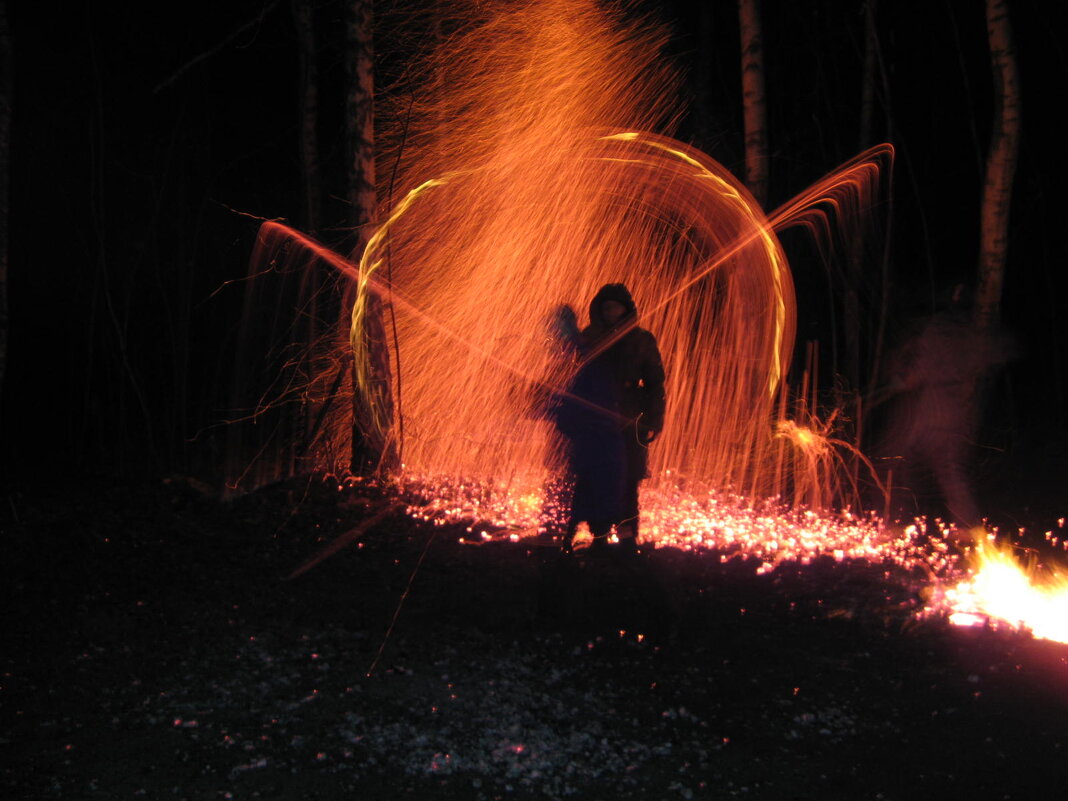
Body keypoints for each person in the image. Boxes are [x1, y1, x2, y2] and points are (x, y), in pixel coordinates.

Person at [581, 283, 666, 554]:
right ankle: (600, 533)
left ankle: (628, 535)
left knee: (628, 479)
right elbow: (577, 376)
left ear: (625, 309)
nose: (610, 311)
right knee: (598, 476)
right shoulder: (590, 337)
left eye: (615, 306)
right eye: (606, 307)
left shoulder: (641, 340)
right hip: (597, 419)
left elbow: (655, 382)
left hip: (631, 420)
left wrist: (654, 418)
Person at [545, 304, 626, 555]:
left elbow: (576, 398)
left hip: (588, 435)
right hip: (583, 434)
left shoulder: (585, 357)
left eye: (557, 330)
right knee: (577, 481)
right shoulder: (575, 356)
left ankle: (580, 536)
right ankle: (579, 535)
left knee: (580, 482)